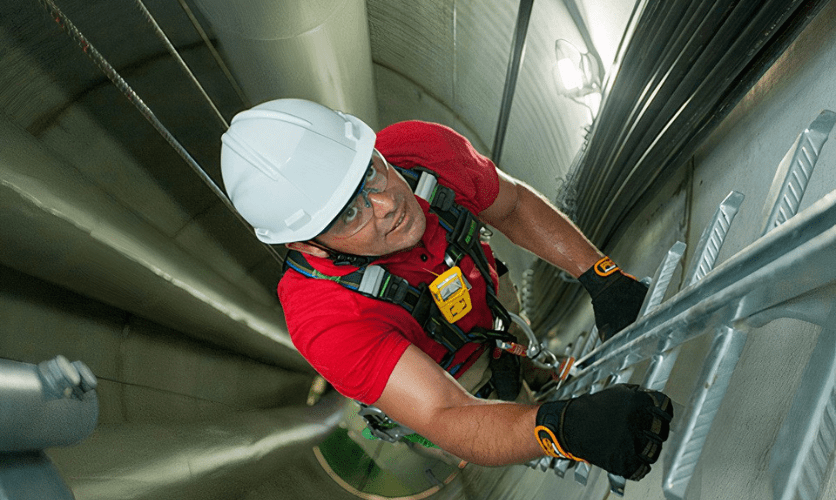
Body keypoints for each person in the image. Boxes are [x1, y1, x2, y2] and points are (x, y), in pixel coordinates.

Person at [220, 98, 673, 480]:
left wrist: (601, 276)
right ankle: (538, 406)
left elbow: (512, 208)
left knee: (520, 342)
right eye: (349, 215)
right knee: (508, 403)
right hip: (450, 376)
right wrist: (561, 430)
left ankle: (544, 373)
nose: (387, 203)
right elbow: (447, 413)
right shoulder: (326, 319)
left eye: (372, 172)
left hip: (489, 298)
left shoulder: (420, 151)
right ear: (307, 246)